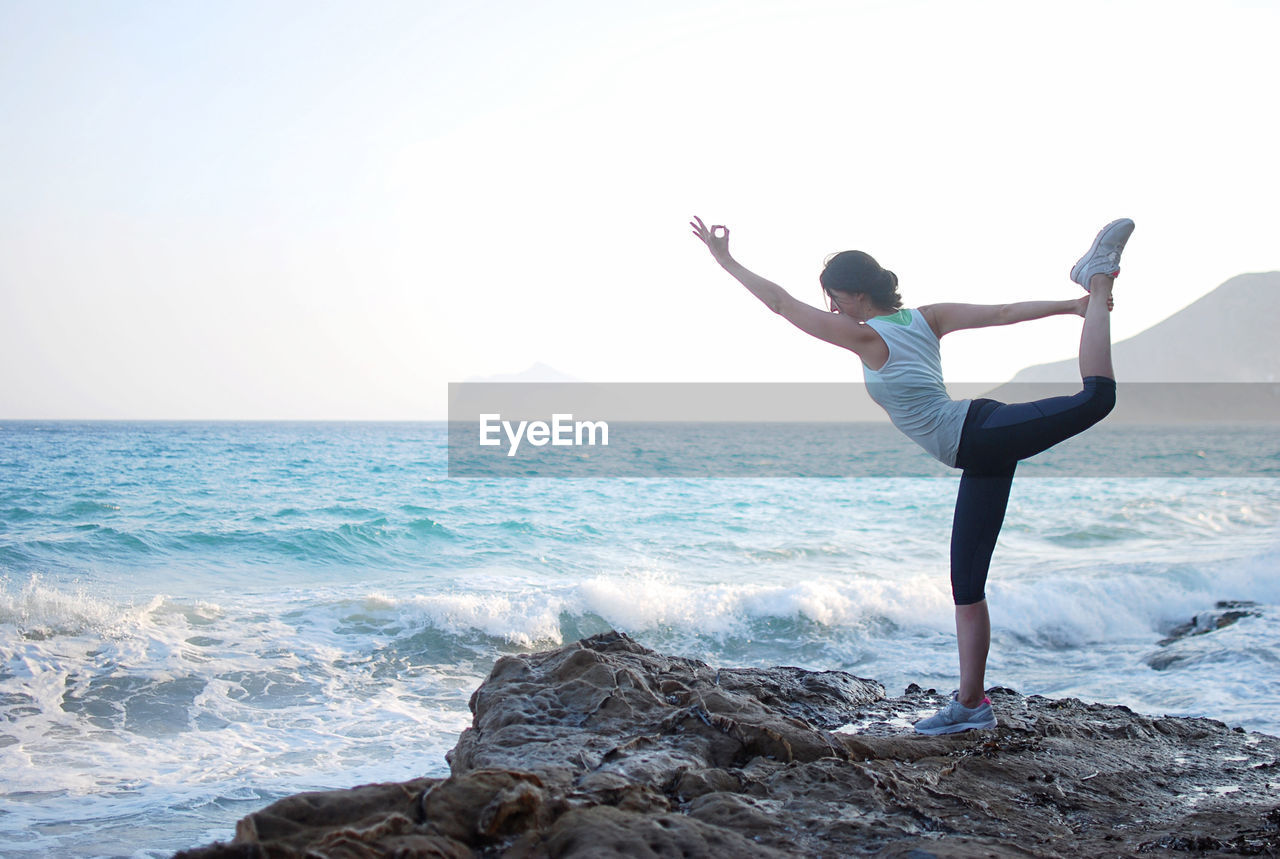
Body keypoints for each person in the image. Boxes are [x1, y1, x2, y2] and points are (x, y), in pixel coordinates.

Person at [690, 215, 1134, 735]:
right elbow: (1005, 312)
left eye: (833, 297)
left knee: (1097, 398)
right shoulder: (926, 318)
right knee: (966, 587)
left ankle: (1099, 273)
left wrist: (725, 262)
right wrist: (1070, 308)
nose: (830, 308)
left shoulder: (866, 338)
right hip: (978, 450)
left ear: (854, 295)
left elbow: (782, 304)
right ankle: (971, 706)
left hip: (977, 434)